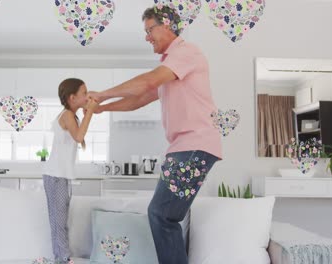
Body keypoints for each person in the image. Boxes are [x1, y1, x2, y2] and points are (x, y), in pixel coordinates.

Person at [88, 5, 222, 264]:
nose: (147, 36)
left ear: (168, 25)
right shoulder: (171, 66)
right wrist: (102, 108)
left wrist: (102, 93)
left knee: (162, 214)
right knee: (165, 215)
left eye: (150, 30)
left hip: (195, 144)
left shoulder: (185, 53)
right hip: (184, 146)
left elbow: (148, 82)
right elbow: (141, 97)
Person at [38, 78, 98, 264]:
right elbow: (79, 137)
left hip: (58, 175)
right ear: (72, 97)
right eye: (84, 93)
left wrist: (88, 112)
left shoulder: (69, 115)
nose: (88, 96)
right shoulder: (67, 115)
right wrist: (91, 113)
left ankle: (60, 258)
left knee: (59, 221)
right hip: (56, 175)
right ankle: (63, 259)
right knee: (59, 221)